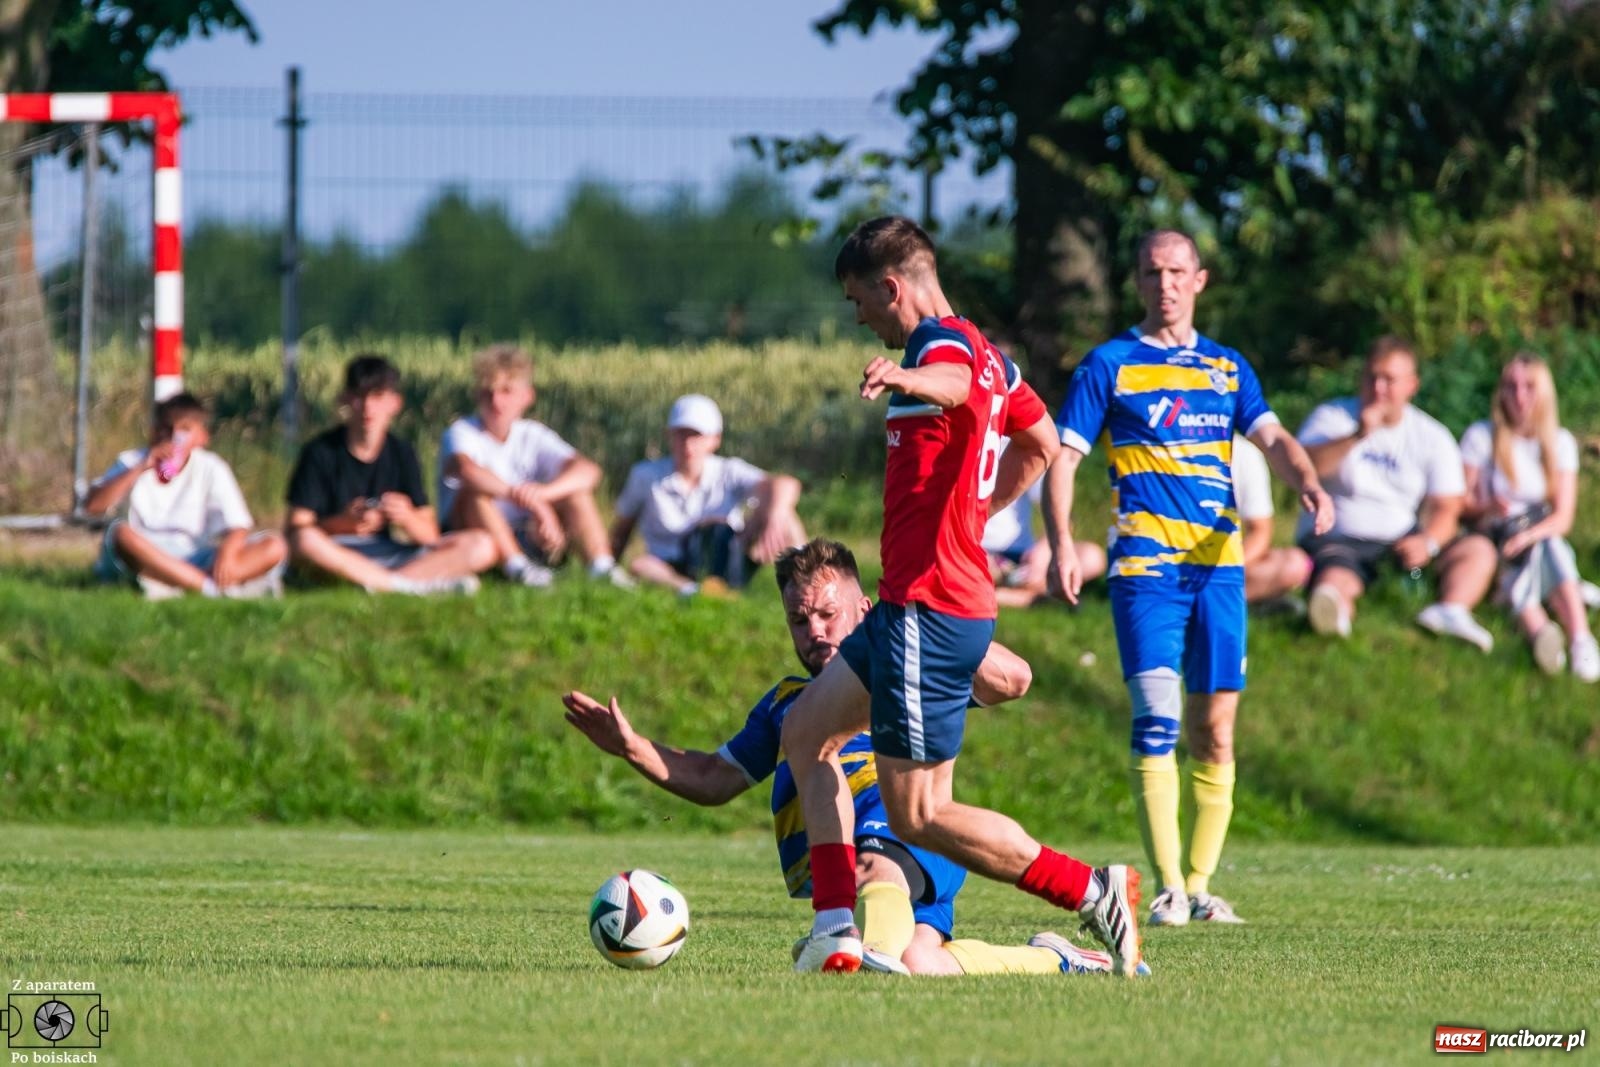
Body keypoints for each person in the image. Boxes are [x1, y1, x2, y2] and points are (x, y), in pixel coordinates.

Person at [779, 216, 1144, 978]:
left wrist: (906, 379)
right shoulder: (993, 357)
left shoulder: (939, 349)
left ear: (891, 287)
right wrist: (982, 515)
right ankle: (836, 928)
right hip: (913, 604)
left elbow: (946, 383)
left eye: (859, 302)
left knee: (920, 814)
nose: (860, 320)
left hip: (928, 611)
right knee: (807, 729)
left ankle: (1091, 887)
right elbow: (1040, 440)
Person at [564, 539, 1138, 976]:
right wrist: (633, 748)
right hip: (872, 872)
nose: (813, 631)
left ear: (865, 608)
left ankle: (858, 952)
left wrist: (929, 629)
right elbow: (714, 779)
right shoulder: (789, 704)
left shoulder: (908, 667)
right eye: (798, 620)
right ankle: (1064, 959)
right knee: (923, 963)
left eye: (827, 614)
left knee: (874, 875)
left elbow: (1014, 678)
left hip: (911, 838)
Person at [1043, 230, 1333, 928]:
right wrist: (1059, 543)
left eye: (1177, 270)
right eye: (1151, 271)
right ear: (1137, 282)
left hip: (1220, 573)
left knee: (1218, 731)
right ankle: (1168, 884)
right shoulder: (1108, 365)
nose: (1164, 283)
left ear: (1199, 279)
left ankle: (1201, 887)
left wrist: (1310, 483)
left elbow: (1275, 439)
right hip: (1146, 571)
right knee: (1156, 722)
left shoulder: (1228, 370)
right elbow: (1061, 457)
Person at [1416, 355, 1599, 681]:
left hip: (1537, 534)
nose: (1519, 396)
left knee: (1549, 546)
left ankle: (1550, 633)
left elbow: (1563, 516)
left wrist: (1528, 536)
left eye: (1529, 387)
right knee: (1539, 555)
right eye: (1511, 387)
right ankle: (1571, 634)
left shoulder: (1561, 443)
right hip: (1493, 535)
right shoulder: (1481, 437)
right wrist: (1487, 508)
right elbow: (1459, 501)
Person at [1296, 337, 1469, 640]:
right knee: (1336, 574)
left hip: (1400, 544)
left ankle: (1452, 611)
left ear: (1411, 385)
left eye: (1389, 380)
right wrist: (1358, 435)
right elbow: (1304, 469)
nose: (1378, 389)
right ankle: (1333, 613)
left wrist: (1428, 543)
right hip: (1337, 537)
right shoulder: (1332, 418)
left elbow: (1448, 507)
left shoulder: (1433, 437)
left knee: (1474, 548)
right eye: (1371, 377)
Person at [285, 354, 495, 595]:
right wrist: (344, 523)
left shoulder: (402, 452)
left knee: (482, 545)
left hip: (389, 552)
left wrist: (406, 518)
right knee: (306, 541)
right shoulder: (320, 452)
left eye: (377, 397)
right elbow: (295, 530)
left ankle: (387, 583)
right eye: (359, 397)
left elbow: (430, 534)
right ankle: (410, 586)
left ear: (395, 403)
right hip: (337, 551)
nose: (368, 408)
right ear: (345, 400)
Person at [437, 344, 631, 588]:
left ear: (527, 396)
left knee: (577, 494)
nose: (497, 401)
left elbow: (588, 471)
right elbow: (466, 471)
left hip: (530, 531)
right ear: (477, 395)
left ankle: (601, 566)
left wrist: (544, 495)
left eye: (506, 391)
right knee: (474, 493)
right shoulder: (461, 432)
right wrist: (533, 503)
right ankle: (516, 567)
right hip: (475, 531)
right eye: (488, 392)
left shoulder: (533, 434)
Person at [84, 392, 286, 600]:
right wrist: (140, 468)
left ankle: (187, 583)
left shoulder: (211, 467)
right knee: (120, 535)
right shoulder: (131, 461)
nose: (174, 438)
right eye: (167, 429)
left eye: (185, 430)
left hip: (194, 555)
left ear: (202, 437)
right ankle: (209, 588)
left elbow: (237, 525)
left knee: (273, 546)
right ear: (154, 432)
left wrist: (227, 555)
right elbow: (93, 506)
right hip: (145, 554)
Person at [610, 394, 806, 597]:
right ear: (669, 435)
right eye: (681, 434)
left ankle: (807, 577)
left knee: (782, 509)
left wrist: (775, 514)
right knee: (641, 565)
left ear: (715, 439)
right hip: (671, 562)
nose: (688, 443)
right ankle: (691, 590)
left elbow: (786, 484)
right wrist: (611, 563)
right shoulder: (644, 476)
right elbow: (622, 528)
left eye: (696, 435)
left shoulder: (729, 470)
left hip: (726, 557)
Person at [983, 476, 1106, 609]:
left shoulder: (1024, 457)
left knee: (1092, 557)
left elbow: (1064, 515)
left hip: (1023, 555)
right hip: (982, 552)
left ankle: (1007, 595)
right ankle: (1035, 596)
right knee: (982, 564)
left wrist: (1043, 550)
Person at [1231, 434, 1315, 606]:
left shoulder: (1244, 453)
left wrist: (1224, 569)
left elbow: (1260, 531)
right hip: (1167, 561)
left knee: (1294, 564)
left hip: (1224, 562)